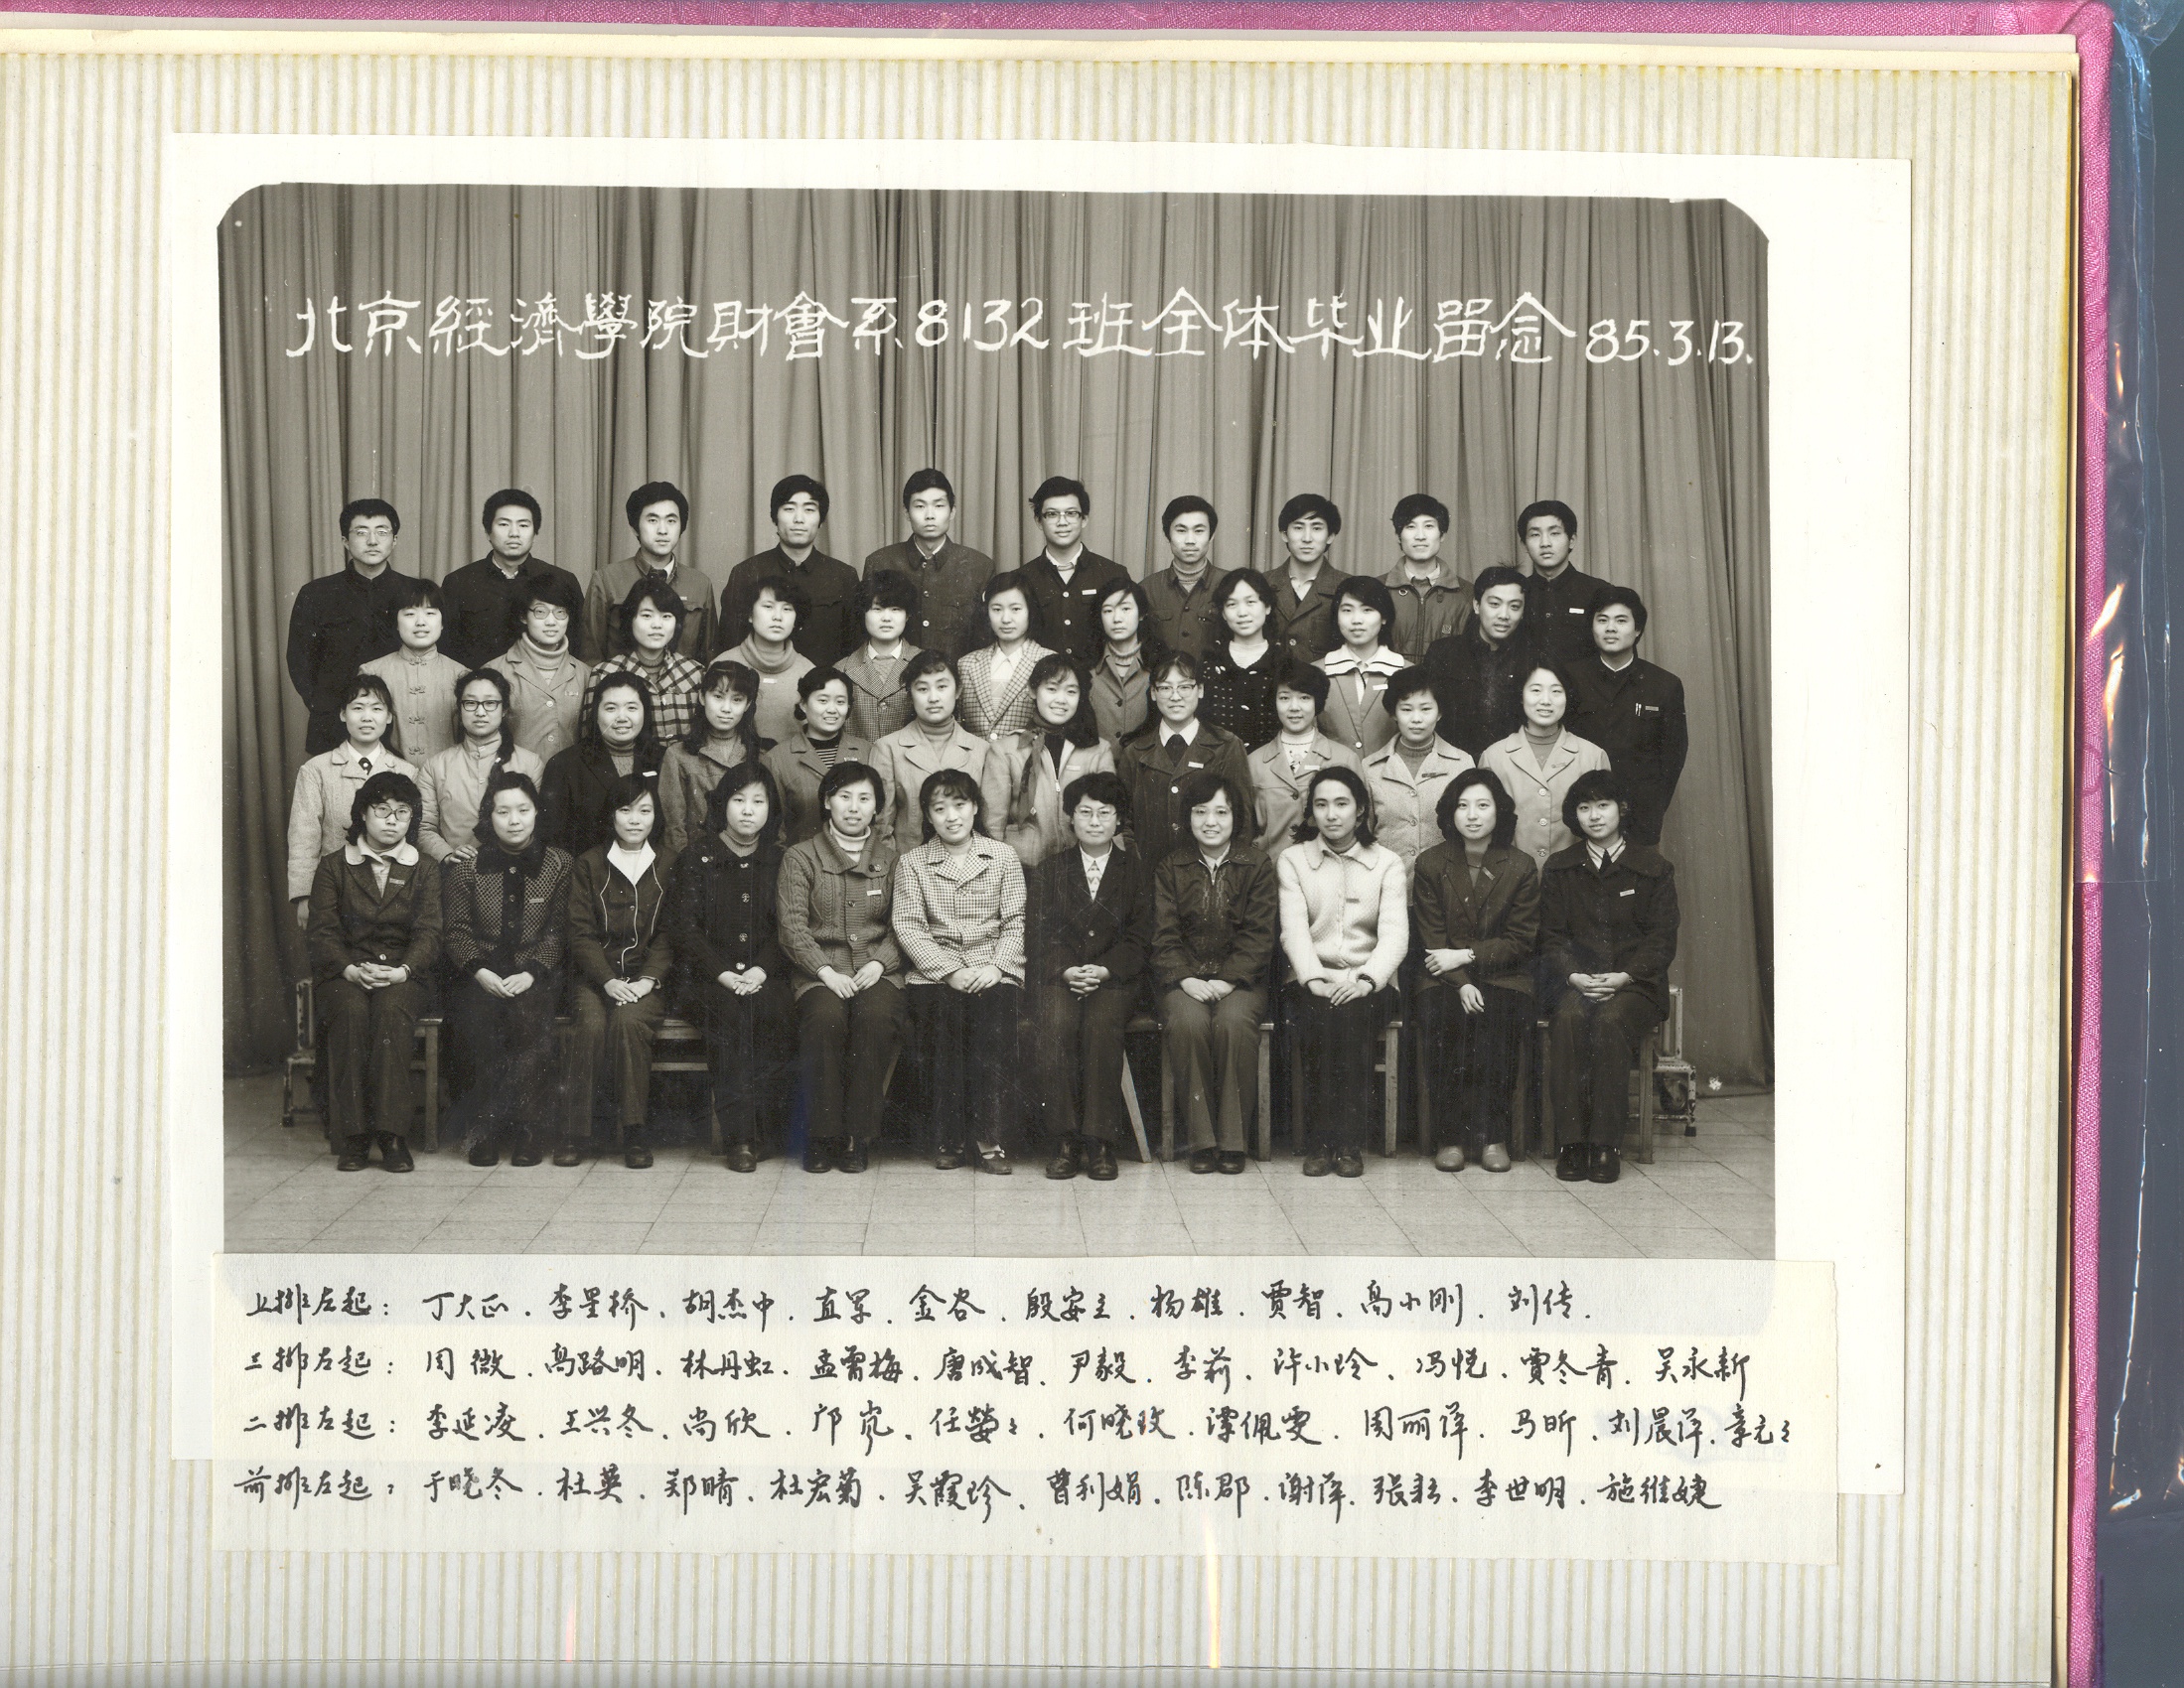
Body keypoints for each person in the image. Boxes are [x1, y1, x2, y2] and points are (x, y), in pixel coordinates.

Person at [1539, 769, 1678, 1185]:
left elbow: (1662, 940)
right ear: (1575, 815)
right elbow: (1550, 937)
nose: (1594, 816)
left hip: (1635, 986)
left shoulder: (1654, 868)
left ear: (1622, 809)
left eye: (1603, 805)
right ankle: (1571, 1144)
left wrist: (1625, 976)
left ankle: (1605, 1145)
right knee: (1568, 1018)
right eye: (1584, 808)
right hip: (1576, 981)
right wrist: (1573, 976)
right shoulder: (1560, 868)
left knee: (1611, 1021)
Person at [891, 768, 1026, 1175]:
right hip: (935, 971)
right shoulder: (912, 862)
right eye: (939, 808)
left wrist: (997, 966)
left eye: (960, 805)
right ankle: (947, 1137)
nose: (951, 816)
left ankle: (989, 1139)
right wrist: (949, 971)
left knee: (991, 1024)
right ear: (927, 816)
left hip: (993, 967)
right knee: (944, 1024)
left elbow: (1016, 921)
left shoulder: (1003, 856)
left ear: (976, 808)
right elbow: (908, 926)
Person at [306, 771, 441, 1173]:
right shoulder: (333, 866)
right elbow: (322, 931)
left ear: (412, 819)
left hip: (403, 974)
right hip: (344, 972)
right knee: (350, 1014)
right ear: (362, 814)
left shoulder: (425, 868)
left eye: (402, 812)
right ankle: (354, 1137)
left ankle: (392, 1136)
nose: (392, 820)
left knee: (390, 1012)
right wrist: (348, 969)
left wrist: (404, 971)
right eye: (382, 810)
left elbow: (430, 932)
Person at [1277, 765, 1407, 1178]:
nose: (1331, 814)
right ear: (1311, 812)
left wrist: (1366, 980)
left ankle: (1348, 1142)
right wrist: (1314, 979)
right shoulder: (1293, 860)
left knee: (1350, 1020)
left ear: (1361, 809)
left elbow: (1394, 935)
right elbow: (1293, 929)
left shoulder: (1387, 863)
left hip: (1370, 981)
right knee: (1320, 1019)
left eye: (1341, 804)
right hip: (1311, 980)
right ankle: (1320, 1141)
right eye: (1321, 805)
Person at [777, 761, 906, 1175]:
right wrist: (825, 971)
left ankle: (857, 1137)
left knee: (875, 1019)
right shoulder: (800, 857)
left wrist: (880, 963)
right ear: (827, 802)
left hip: (877, 971)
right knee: (825, 1020)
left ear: (877, 807)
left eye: (864, 798)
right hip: (819, 971)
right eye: (844, 797)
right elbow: (792, 927)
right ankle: (822, 1135)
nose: (854, 807)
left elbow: (904, 925)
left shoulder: (893, 860)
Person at [441, 771, 574, 1168]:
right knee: (475, 1021)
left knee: (530, 1020)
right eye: (503, 812)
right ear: (489, 816)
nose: (514, 820)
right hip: (480, 972)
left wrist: (532, 971)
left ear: (536, 813)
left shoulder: (559, 864)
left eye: (523, 810)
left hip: (535, 972)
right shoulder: (467, 867)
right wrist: (480, 971)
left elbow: (558, 930)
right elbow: (456, 930)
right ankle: (483, 1130)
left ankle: (530, 1131)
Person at [1411, 769, 1538, 1174]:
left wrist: (1466, 957)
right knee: (1445, 1016)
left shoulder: (1521, 865)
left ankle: (1493, 1136)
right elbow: (1432, 938)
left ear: (1499, 812)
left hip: (1504, 975)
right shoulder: (1431, 863)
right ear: (1450, 812)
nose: (1472, 814)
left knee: (1497, 1021)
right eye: (1463, 805)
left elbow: (1520, 941)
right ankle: (1450, 1137)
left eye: (1483, 805)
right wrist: (1462, 984)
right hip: (1441, 976)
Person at [1028, 773, 1152, 1183]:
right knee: (1056, 1022)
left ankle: (1100, 1141)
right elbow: (1040, 933)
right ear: (1070, 818)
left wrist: (1104, 969)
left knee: (1101, 1025)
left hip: (1115, 978)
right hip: (1061, 975)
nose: (1095, 822)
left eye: (1105, 813)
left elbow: (1140, 937)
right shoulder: (1051, 869)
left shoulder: (1136, 871)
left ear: (1119, 820)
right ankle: (1064, 1140)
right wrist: (1067, 969)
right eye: (1085, 812)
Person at [668, 764, 793, 1171]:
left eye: (758, 801)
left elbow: (789, 927)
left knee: (774, 1010)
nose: (748, 810)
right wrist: (723, 973)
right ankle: (740, 1139)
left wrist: (760, 970)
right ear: (722, 804)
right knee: (729, 1016)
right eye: (739, 800)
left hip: (764, 976)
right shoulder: (696, 857)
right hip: (706, 980)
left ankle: (768, 1132)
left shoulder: (780, 859)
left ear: (771, 809)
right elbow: (685, 929)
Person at [1152, 771, 1276, 1175]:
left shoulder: (1256, 864)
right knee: (1188, 1024)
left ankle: (1233, 1143)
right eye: (1200, 811)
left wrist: (1229, 979)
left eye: (1221, 812)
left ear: (1235, 817)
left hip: (1241, 981)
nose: (1210, 821)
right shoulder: (1171, 865)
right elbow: (1163, 933)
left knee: (1233, 1024)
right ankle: (1202, 1142)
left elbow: (1260, 933)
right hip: (1183, 980)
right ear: (1187, 817)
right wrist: (1185, 978)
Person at [561, 775, 676, 1170]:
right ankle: (577, 1133)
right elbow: (579, 931)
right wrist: (607, 980)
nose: (634, 819)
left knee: (629, 1023)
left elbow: (670, 932)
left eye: (644, 810)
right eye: (625, 810)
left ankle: (634, 1132)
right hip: (596, 979)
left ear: (656, 816)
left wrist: (647, 980)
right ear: (611, 816)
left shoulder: (669, 862)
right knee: (591, 1025)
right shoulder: (589, 863)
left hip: (647, 981)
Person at [285, 497, 418, 754]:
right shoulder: (316, 593)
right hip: (334, 721)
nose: (372, 541)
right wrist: (324, 705)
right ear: (345, 541)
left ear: (395, 540)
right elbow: (299, 659)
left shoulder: (415, 591)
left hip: (402, 722)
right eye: (361, 532)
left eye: (382, 532)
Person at [287, 674, 418, 924]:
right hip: (333, 892)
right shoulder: (316, 770)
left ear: (389, 717)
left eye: (376, 709)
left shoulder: (407, 771)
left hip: (393, 896)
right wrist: (304, 896)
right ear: (342, 714)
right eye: (358, 708)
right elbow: (303, 837)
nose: (367, 717)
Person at [1564, 585, 1689, 846]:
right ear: (1592, 627)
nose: (1610, 628)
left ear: (1638, 629)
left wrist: (1651, 807)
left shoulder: (1664, 684)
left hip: (1639, 816)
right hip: (1582, 815)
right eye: (1602, 620)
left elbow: (1673, 756)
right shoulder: (1570, 678)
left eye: (1621, 621)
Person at [1114, 652, 1255, 870]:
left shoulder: (1227, 746)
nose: (1175, 696)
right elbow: (1123, 825)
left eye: (1184, 687)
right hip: (1148, 875)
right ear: (1153, 693)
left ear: (1200, 690)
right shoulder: (1134, 752)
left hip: (1211, 875)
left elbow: (1243, 822)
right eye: (1165, 688)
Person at [982, 654, 1116, 867]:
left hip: (1081, 868)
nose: (1061, 700)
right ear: (1032, 690)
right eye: (1052, 689)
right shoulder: (1004, 750)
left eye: (1071, 691)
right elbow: (992, 826)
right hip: (1024, 868)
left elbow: (1110, 818)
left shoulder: (1098, 750)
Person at [1479, 660, 1612, 872]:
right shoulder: (1493, 757)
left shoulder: (1593, 756)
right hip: (1510, 881)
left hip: (1576, 880)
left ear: (1568, 697)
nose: (1546, 700)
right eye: (1536, 690)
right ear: (1521, 696)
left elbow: (1606, 832)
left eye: (1556, 691)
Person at [440, 489, 590, 669]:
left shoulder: (563, 580)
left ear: (535, 533)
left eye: (523, 525)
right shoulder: (458, 582)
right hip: (479, 683)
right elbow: (447, 649)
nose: (514, 533)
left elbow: (580, 643)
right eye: (504, 524)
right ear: (487, 532)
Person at [721, 474, 861, 666]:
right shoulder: (746, 573)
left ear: (821, 520)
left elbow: (855, 650)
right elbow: (729, 644)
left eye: (809, 509)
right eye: (789, 509)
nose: (799, 519)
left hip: (826, 683)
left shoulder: (844, 576)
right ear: (775, 517)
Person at [861, 468, 996, 661]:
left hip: (957, 677)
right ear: (906, 513)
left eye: (939, 505)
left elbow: (987, 641)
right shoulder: (880, 562)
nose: (930, 515)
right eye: (920, 506)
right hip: (894, 678)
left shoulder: (979, 566)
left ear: (952, 511)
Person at [867, 651, 995, 855]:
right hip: (907, 863)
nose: (933, 698)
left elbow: (989, 822)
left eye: (942, 687)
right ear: (910, 695)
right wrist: (897, 867)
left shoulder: (982, 750)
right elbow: (881, 826)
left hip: (968, 863)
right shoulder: (887, 748)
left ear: (958, 690)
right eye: (922, 689)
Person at [416, 667, 547, 865]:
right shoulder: (434, 767)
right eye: (470, 703)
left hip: (518, 869)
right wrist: (447, 854)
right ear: (459, 709)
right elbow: (423, 827)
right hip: (456, 871)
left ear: (504, 710)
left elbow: (541, 825)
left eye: (490, 703)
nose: (480, 712)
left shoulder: (530, 763)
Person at [584, 480, 718, 659]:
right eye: (653, 520)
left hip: (685, 678)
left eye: (671, 520)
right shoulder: (606, 580)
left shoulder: (700, 584)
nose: (662, 530)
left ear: (682, 527)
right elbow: (590, 656)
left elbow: (709, 657)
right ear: (635, 528)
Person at [540, 670, 667, 857]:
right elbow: (553, 843)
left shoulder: (664, 759)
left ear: (645, 712)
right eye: (611, 708)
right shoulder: (564, 765)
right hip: (587, 871)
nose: (622, 717)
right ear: (596, 713)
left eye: (632, 708)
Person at [1360, 670, 1476, 875]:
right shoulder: (1370, 768)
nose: (1416, 719)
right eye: (1406, 709)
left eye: (1426, 709)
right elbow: (1363, 835)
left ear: (1439, 713)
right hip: (1386, 881)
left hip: (1446, 884)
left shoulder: (1462, 763)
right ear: (1393, 713)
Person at [1245, 658, 1361, 856]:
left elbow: (1361, 826)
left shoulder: (1345, 759)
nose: (1294, 707)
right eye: (1284, 698)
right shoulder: (1254, 762)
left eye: (1304, 698)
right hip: (1268, 871)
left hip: (1328, 870)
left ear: (1318, 702)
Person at [659, 659, 768, 857]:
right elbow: (674, 829)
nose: (726, 708)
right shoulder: (678, 755)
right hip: (697, 863)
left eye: (737, 700)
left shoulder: (760, 755)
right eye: (718, 696)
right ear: (702, 697)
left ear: (747, 704)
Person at [582, 576, 707, 746]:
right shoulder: (603, 674)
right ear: (630, 620)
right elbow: (590, 742)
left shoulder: (696, 673)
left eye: (666, 616)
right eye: (647, 615)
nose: (657, 625)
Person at [1423, 567, 1533, 758]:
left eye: (1514, 607)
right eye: (1494, 604)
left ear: (1523, 611)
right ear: (1476, 605)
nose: (1504, 615)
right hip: (1452, 762)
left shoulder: (1533, 659)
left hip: (1512, 763)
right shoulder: (1443, 653)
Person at [1019, 475, 1129, 664]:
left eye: (1071, 513)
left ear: (1084, 519)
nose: (1062, 522)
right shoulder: (1021, 578)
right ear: (1038, 521)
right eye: (1052, 514)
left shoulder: (1113, 574)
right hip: (1041, 680)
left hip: (1099, 681)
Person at [362, 577, 467, 762]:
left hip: (446, 774)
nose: (420, 622)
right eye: (410, 614)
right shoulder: (372, 672)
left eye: (430, 613)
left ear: (443, 622)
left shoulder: (462, 674)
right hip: (388, 775)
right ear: (395, 622)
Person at [763, 667, 872, 845]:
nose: (832, 709)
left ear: (848, 707)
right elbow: (775, 832)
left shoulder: (867, 751)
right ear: (803, 704)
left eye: (840, 702)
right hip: (801, 859)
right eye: (823, 700)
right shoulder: (776, 759)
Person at [1315, 576, 1412, 759]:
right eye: (1347, 610)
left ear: (1384, 617)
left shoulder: (1409, 673)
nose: (1356, 620)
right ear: (1336, 617)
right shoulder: (1315, 672)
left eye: (1367, 610)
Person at [498, 572, 591, 759]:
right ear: (524, 616)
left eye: (560, 612)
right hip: (515, 776)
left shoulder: (586, 675)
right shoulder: (496, 671)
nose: (551, 622)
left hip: (569, 777)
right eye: (540, 611)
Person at [957, 570, 1054, 741]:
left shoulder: (1049, 662)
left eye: (1016, 609)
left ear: (1030, 611)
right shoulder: (967, 664)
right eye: (997, 609)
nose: (1006, 619)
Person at [720, 577, 817, 746]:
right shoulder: (723, 664)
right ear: (750, 614)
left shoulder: (809, 671)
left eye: (787, 609)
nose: (777, 617)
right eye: (768, 606)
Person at [1516, 498, 1610, 666]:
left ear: (1572, 540)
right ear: (1524, 545)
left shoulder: (1599, 591)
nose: (1545, 543)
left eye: (1554, 533)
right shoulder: (1515, 593)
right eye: (1535, 535)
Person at [1199, 569, 1285, 751]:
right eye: (1232, 604)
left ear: (1267, 607)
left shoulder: (1286, 664)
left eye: (1250, 602)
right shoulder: (1208, 665)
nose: (1242, 612)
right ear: (1223, 613)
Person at [1381, 492, 1472, 657]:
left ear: (1442, 535)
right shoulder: (1377, 590)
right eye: (1410, 526)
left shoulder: (1467, 594)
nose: (1420, 536)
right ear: (1398, 536)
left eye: (1429, 526)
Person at [839, 570, 925, 743]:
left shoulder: (926, 664)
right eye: (877, 609)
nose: (886, 618)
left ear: (907, 615)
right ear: (863, 613)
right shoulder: (842, 669)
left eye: (895, 609)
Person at [1143, 494, 1230, 664]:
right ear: (1167, 535)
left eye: (1199, 531)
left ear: (1211, 535)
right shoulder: (1147, 589)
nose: (1190, 541)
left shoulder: (1231, 585)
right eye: (1181, 531)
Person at [1267, 493, 1351, 663]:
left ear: (1330, 536)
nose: (1307, 538)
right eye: (1298, 528)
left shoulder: (1348, 588)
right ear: (1284, 534)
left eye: (1317, 528)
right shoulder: (1262, 584)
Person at [1089, 577, 1162, 746]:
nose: (1117, 619)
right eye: (1108, 611)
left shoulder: (1159, 665)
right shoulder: (1087, 667)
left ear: (1142, 614)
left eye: (1125, 609)